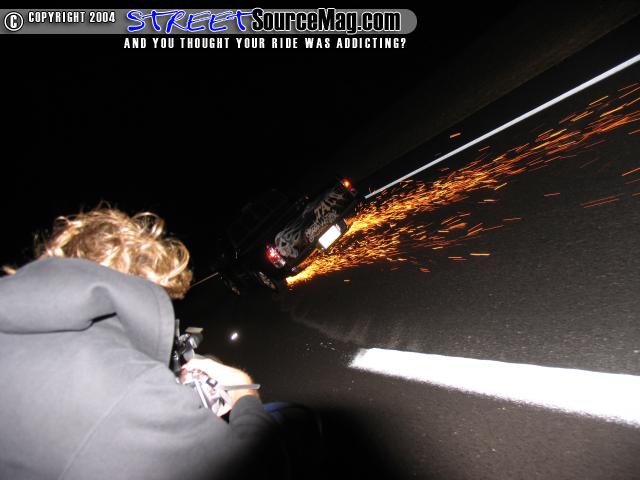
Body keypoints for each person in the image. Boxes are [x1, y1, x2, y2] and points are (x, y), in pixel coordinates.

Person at [0, 207, 289, 480]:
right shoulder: (121, 388)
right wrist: (243, 391)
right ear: (139, 285)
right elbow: (258, 466)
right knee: (289, 418)